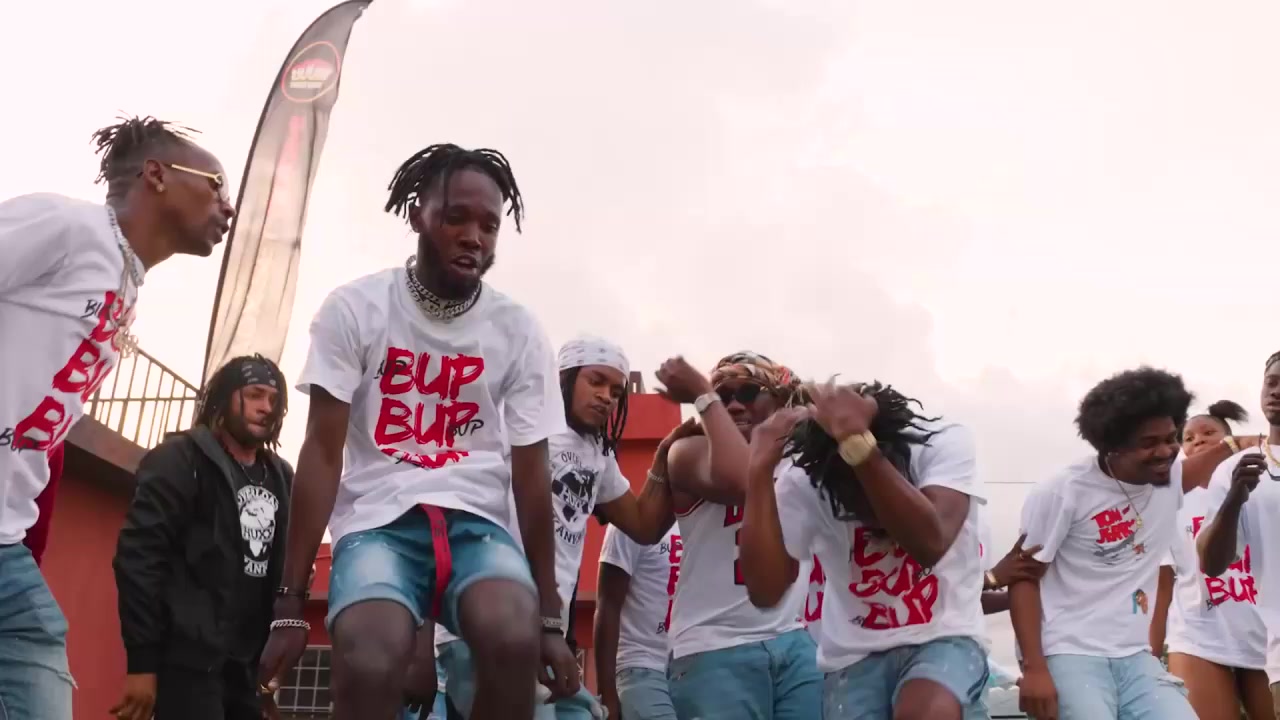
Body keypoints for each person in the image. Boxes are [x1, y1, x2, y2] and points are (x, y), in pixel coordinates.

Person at [257, 143, 577, 720]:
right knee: (370, 658)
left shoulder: (519, 330)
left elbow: (533, 476)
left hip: (478, 526)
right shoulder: (355, 308)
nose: (474, 237)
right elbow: (322, 453)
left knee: (513, 637)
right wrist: (290, 603)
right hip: (378, 524)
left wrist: (551, 618)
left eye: (489, 226)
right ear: (417, 216)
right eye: (456, 217)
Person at [0, 115, 233, 719]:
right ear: (156, 174)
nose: (227, 206)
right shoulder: (68, 226)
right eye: (216, 186)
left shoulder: (125, 281)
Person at [436, 335, 690, 718]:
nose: (606, 397)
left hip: (546, 632)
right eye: (596, 381)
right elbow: (444, 508)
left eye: (617, 391)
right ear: (565, 378)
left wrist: (665, 457)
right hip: (486, 625)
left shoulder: (597, 454)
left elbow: (643, 525)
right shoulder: (517, 424)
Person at [738, 381, 992, 720]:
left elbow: (931, 544)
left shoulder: (941, 441)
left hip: (944, 637)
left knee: (925, 712)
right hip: (853, 658)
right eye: (848, 500)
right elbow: (764, 591)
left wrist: (859, 450)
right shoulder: (805, 477)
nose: (866, 515)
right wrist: (758, 473)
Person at [110, 355, 292, 720]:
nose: (266, 408)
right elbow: (138, 559)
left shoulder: (281, 476)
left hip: (248, 667)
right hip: (188, 663)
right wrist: (142, 663)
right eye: (255, 395)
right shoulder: (180, 459)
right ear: (224, 398)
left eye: (274, 400)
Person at [1011, 367, 1197, 720]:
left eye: (1171, 437)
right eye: (1148, 443)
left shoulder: (1170, 477)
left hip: (1135, 654)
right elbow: (1023, 579)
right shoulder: (1063, 491)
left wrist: (1239, 444)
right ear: (1112, 446)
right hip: (1067, 651)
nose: (1165, 451)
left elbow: (1221, 456)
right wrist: (1034, 668)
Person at [654, 352, 821, 720]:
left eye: (747, 392)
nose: (732, 404)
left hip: (794, 638)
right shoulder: (688, 451)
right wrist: (702, 394)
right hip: (714, 646)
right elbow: (743, 478)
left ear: (778, 400)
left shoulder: (799, 458)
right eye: (722, 395)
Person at [1149, 400, 1271, 720]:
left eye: (1208, 433)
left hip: (1264, 633)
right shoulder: (1170, 501)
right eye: (1188, 438)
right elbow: (1162, 585)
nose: (1198, 440)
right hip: (1198, 635)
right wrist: (1150, 655)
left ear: (1232, 441)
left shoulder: (1264, 484)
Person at [1197, 351, 1280, 716]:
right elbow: (1212, 564)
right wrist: (1234, 499)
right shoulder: (1235, 470)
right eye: (1271, 382)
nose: (1276, 391)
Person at [594, 520, 682, 720]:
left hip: (690, 668)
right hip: (640, 665)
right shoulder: (629, 523)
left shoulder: (700, 520)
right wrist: (606, 695)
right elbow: (607, 605)